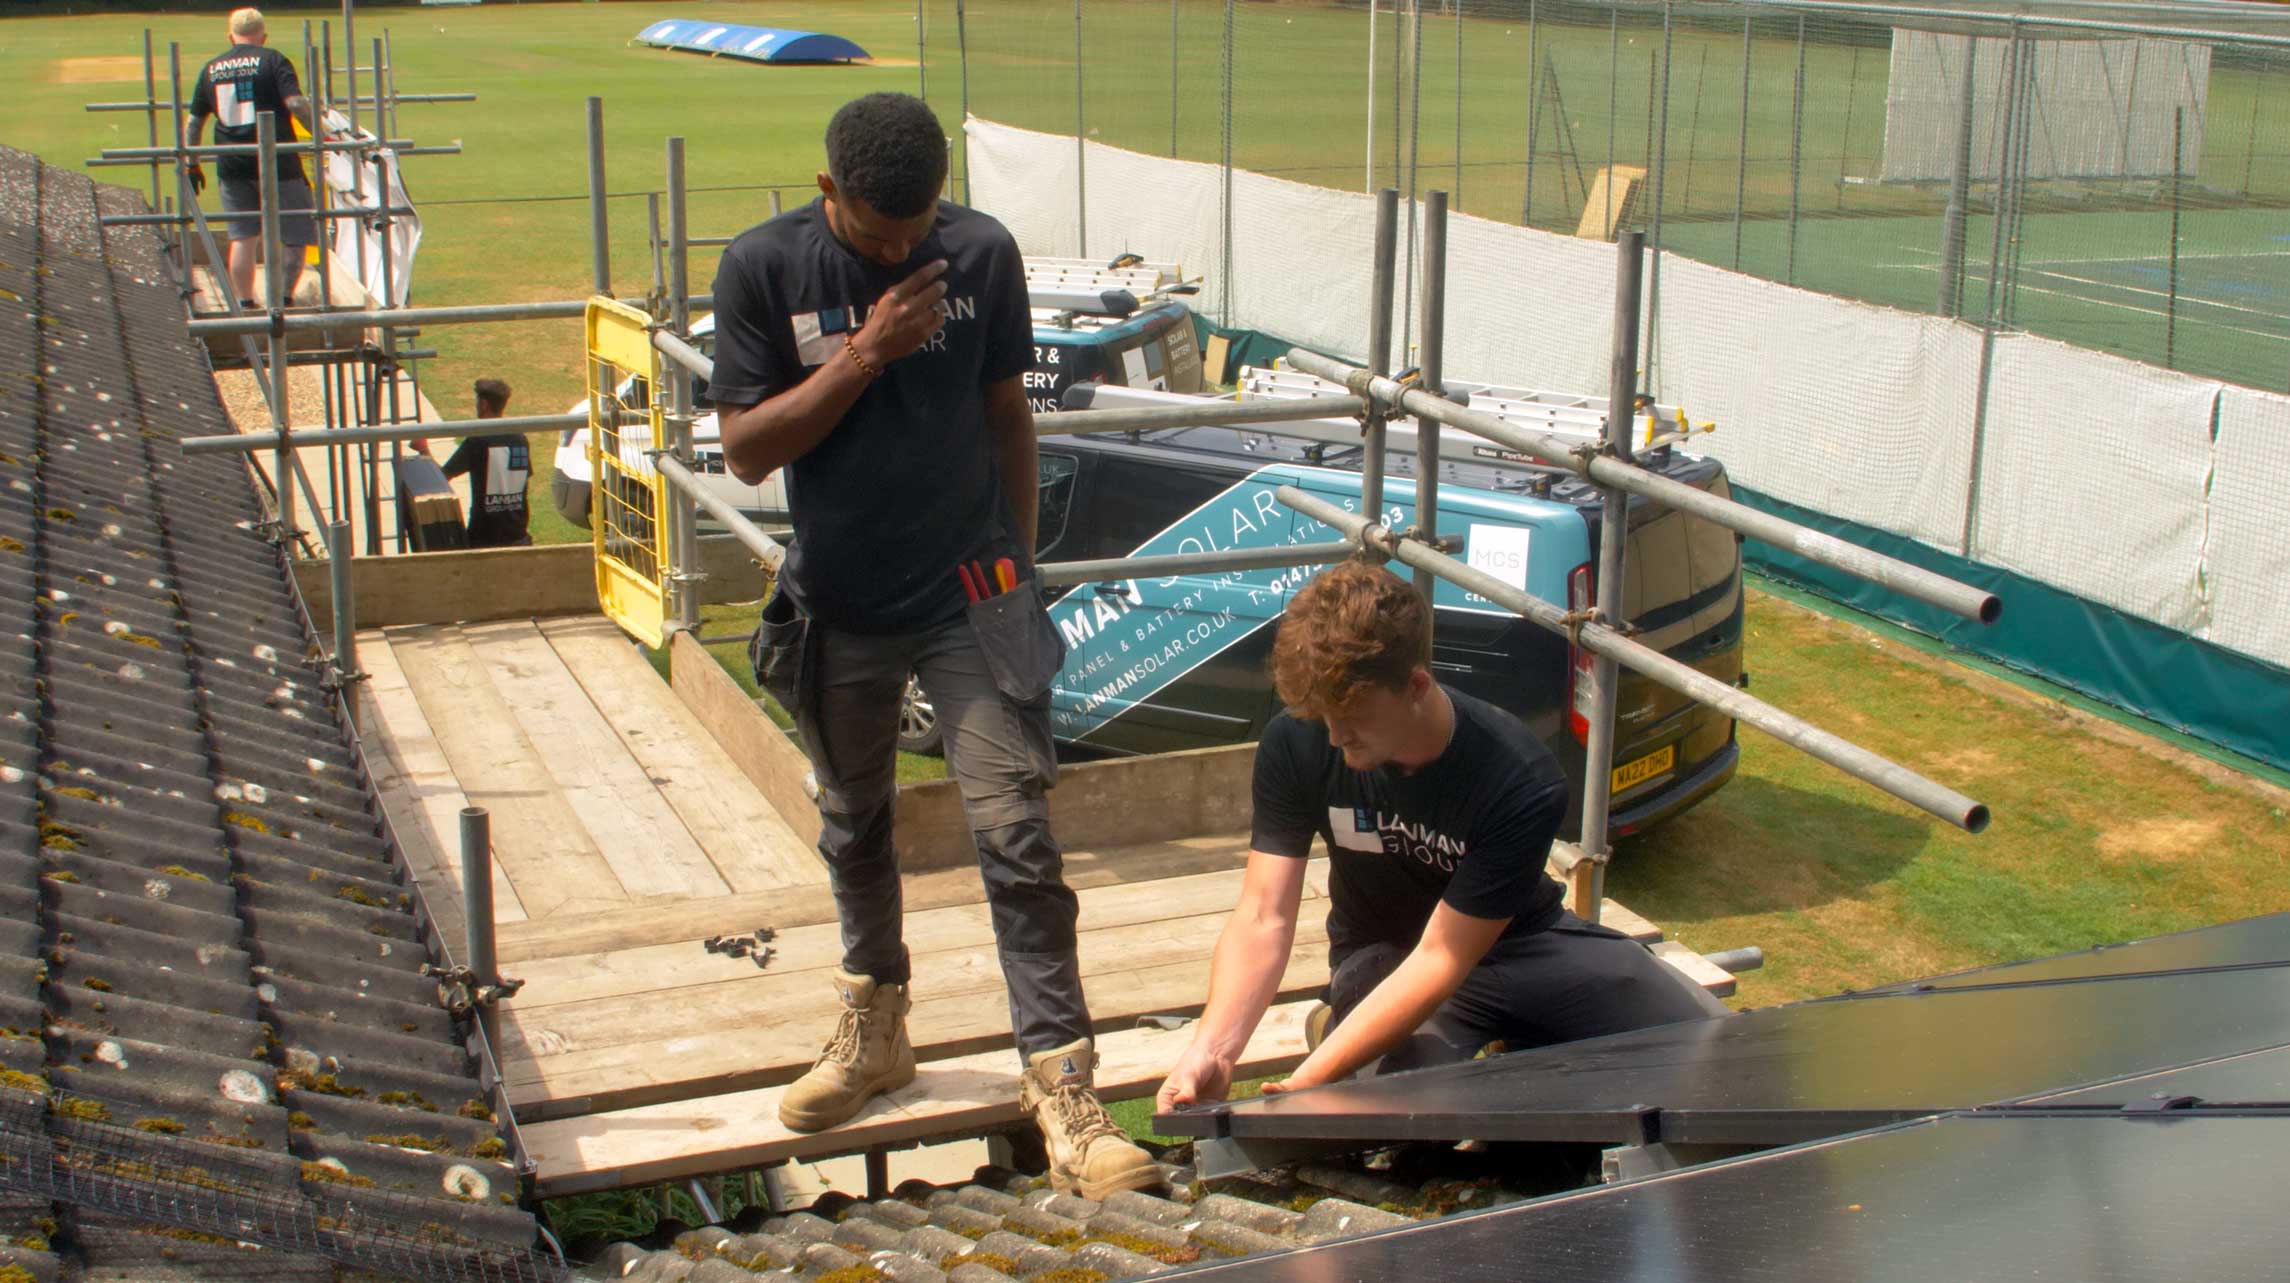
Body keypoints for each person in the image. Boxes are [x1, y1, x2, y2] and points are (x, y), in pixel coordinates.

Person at [711, 93, 1159, 1199]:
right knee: (854, 822)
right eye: (878, 235)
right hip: (840, 608)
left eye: (919, 230)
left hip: (971, 599)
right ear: (830, 195)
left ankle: (1061, 1082)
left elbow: (1008, 408)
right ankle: (877, 1028)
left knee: (1017, 833)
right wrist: (865, 353)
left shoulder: (983, 252)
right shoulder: (763, 268)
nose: (906, 250)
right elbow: (745, 451)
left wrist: (1014, 566)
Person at [1157, 561, 1726, 1113]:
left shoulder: (1520, 778)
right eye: (1320, 715)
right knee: (1406, 1111)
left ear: (1416, 685)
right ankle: (1348, 1030)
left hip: (1519, 943)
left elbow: (1443, 957)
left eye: (1350, 714)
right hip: (1383, 955)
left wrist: (1312, 1077)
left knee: (1713, 1044)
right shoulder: (1297, 740)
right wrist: (1213, 1050)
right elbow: (1263, 915)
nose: (1333, 736)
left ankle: (1495, 1041)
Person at [183, 9, 323, 309]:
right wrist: (320, 135)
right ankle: (283, 299)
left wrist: (191, 163)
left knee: (242, 237)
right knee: (295, 232)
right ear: (264, 35)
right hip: (279, 163)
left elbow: (194, 123)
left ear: (230, 36)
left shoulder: (211, 68)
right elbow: (296, 103)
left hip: (232, 164)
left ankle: (246, 302)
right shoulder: (273, 60)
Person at [437, 379, 532, 548]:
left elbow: (442, 478)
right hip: (518, 535)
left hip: (484, 538)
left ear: (483, 404)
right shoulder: (520, 439)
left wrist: (424, 451)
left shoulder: (477, 441)